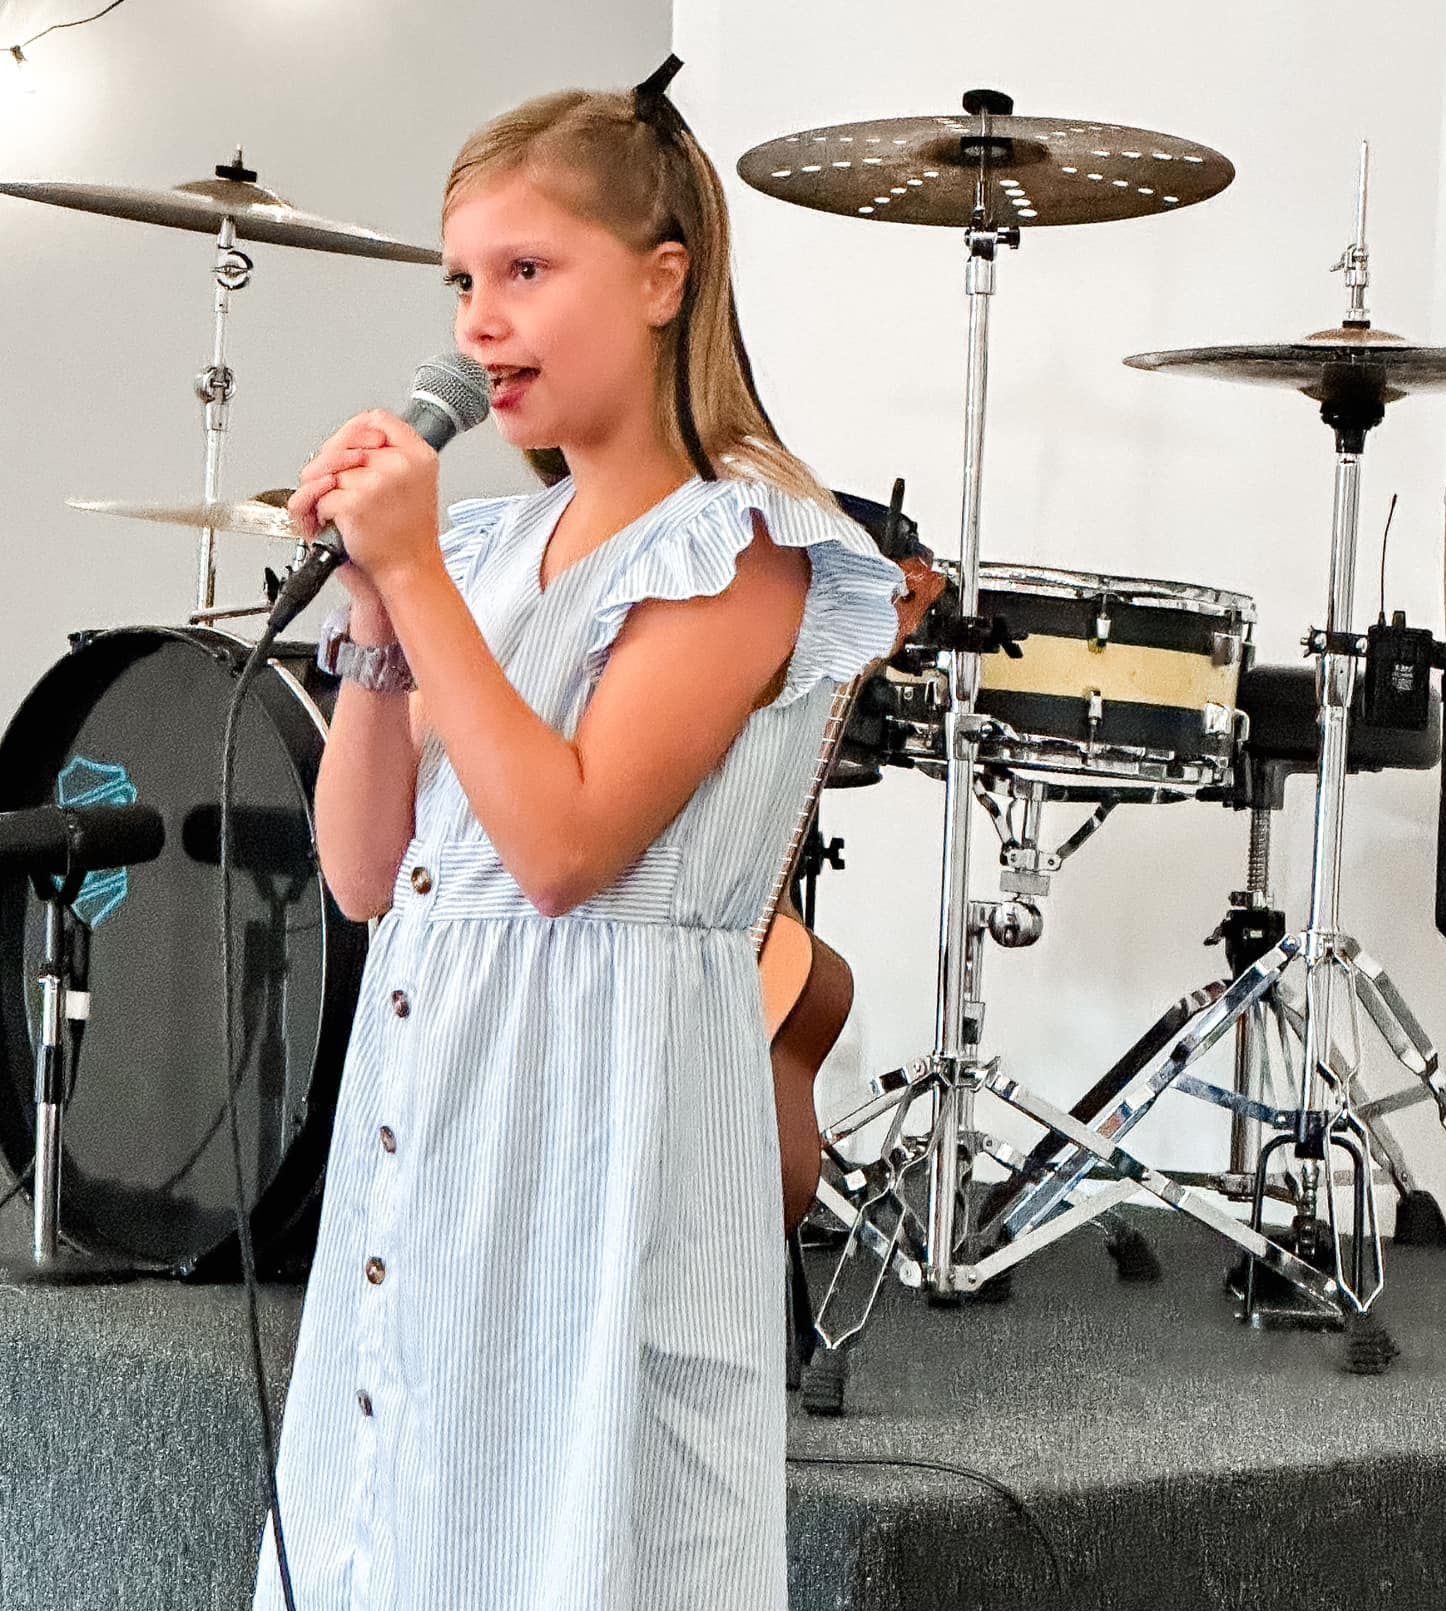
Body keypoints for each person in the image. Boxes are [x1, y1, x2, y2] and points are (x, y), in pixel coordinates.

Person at [252, 55, 907, 1611]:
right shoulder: (482, 546)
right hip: (439, 1090)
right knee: (402, 1501)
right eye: (463, 278)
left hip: (596, 1115)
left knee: (573, 1523)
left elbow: (563, 853)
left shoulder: (745, 544)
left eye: (529, 271)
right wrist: (375, 626)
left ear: (665, 278)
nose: (478, 323)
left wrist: (415, 583)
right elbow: (364, 872)